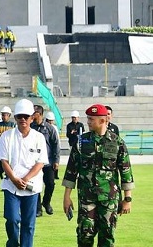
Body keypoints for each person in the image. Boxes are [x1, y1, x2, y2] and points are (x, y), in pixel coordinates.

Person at [62, 104, 135, 247]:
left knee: (107, 235)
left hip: (109, 198)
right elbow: (71, 170)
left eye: (91, 119)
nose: (88, 122)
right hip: (86, 197)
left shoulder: (117, 142)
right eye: (88, 118)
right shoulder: (82, 142)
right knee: (85, 234)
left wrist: (127, 199)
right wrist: (66, 196)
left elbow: (126, 170)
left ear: (102, 120)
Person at [0, 99, 48, 247]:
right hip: (11, 186)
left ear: (32, 117)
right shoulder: (7, 136)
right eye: (19, 116)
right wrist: (14, 179)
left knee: (28, 224)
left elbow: (40, 162)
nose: (23, 119)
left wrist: (25, 179)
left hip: (31, 187)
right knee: (12, 219)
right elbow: (3, 161)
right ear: (15, 118)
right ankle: (12, 243)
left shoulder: (39, 137)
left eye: (26, 116)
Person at [30, 105, 60, 217]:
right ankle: (38, 209)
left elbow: (55, 144)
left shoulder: (49, 128)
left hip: (47, 162)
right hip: (34, 162)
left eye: (35, 115)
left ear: (40, 115)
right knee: (35, 185)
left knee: (50, 184)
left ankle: (46, 202)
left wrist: (56, 160)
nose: (32, 117)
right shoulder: (30, 127)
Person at [0, 106, 16, 178]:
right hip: (0, 147)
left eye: (5, 115)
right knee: (0, 166)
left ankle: (8, 177)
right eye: (2, 115)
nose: (3, 116)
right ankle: (2, 177)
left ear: (9, 115)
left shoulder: (13, 125)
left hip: (10, 148)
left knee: (10, 165)